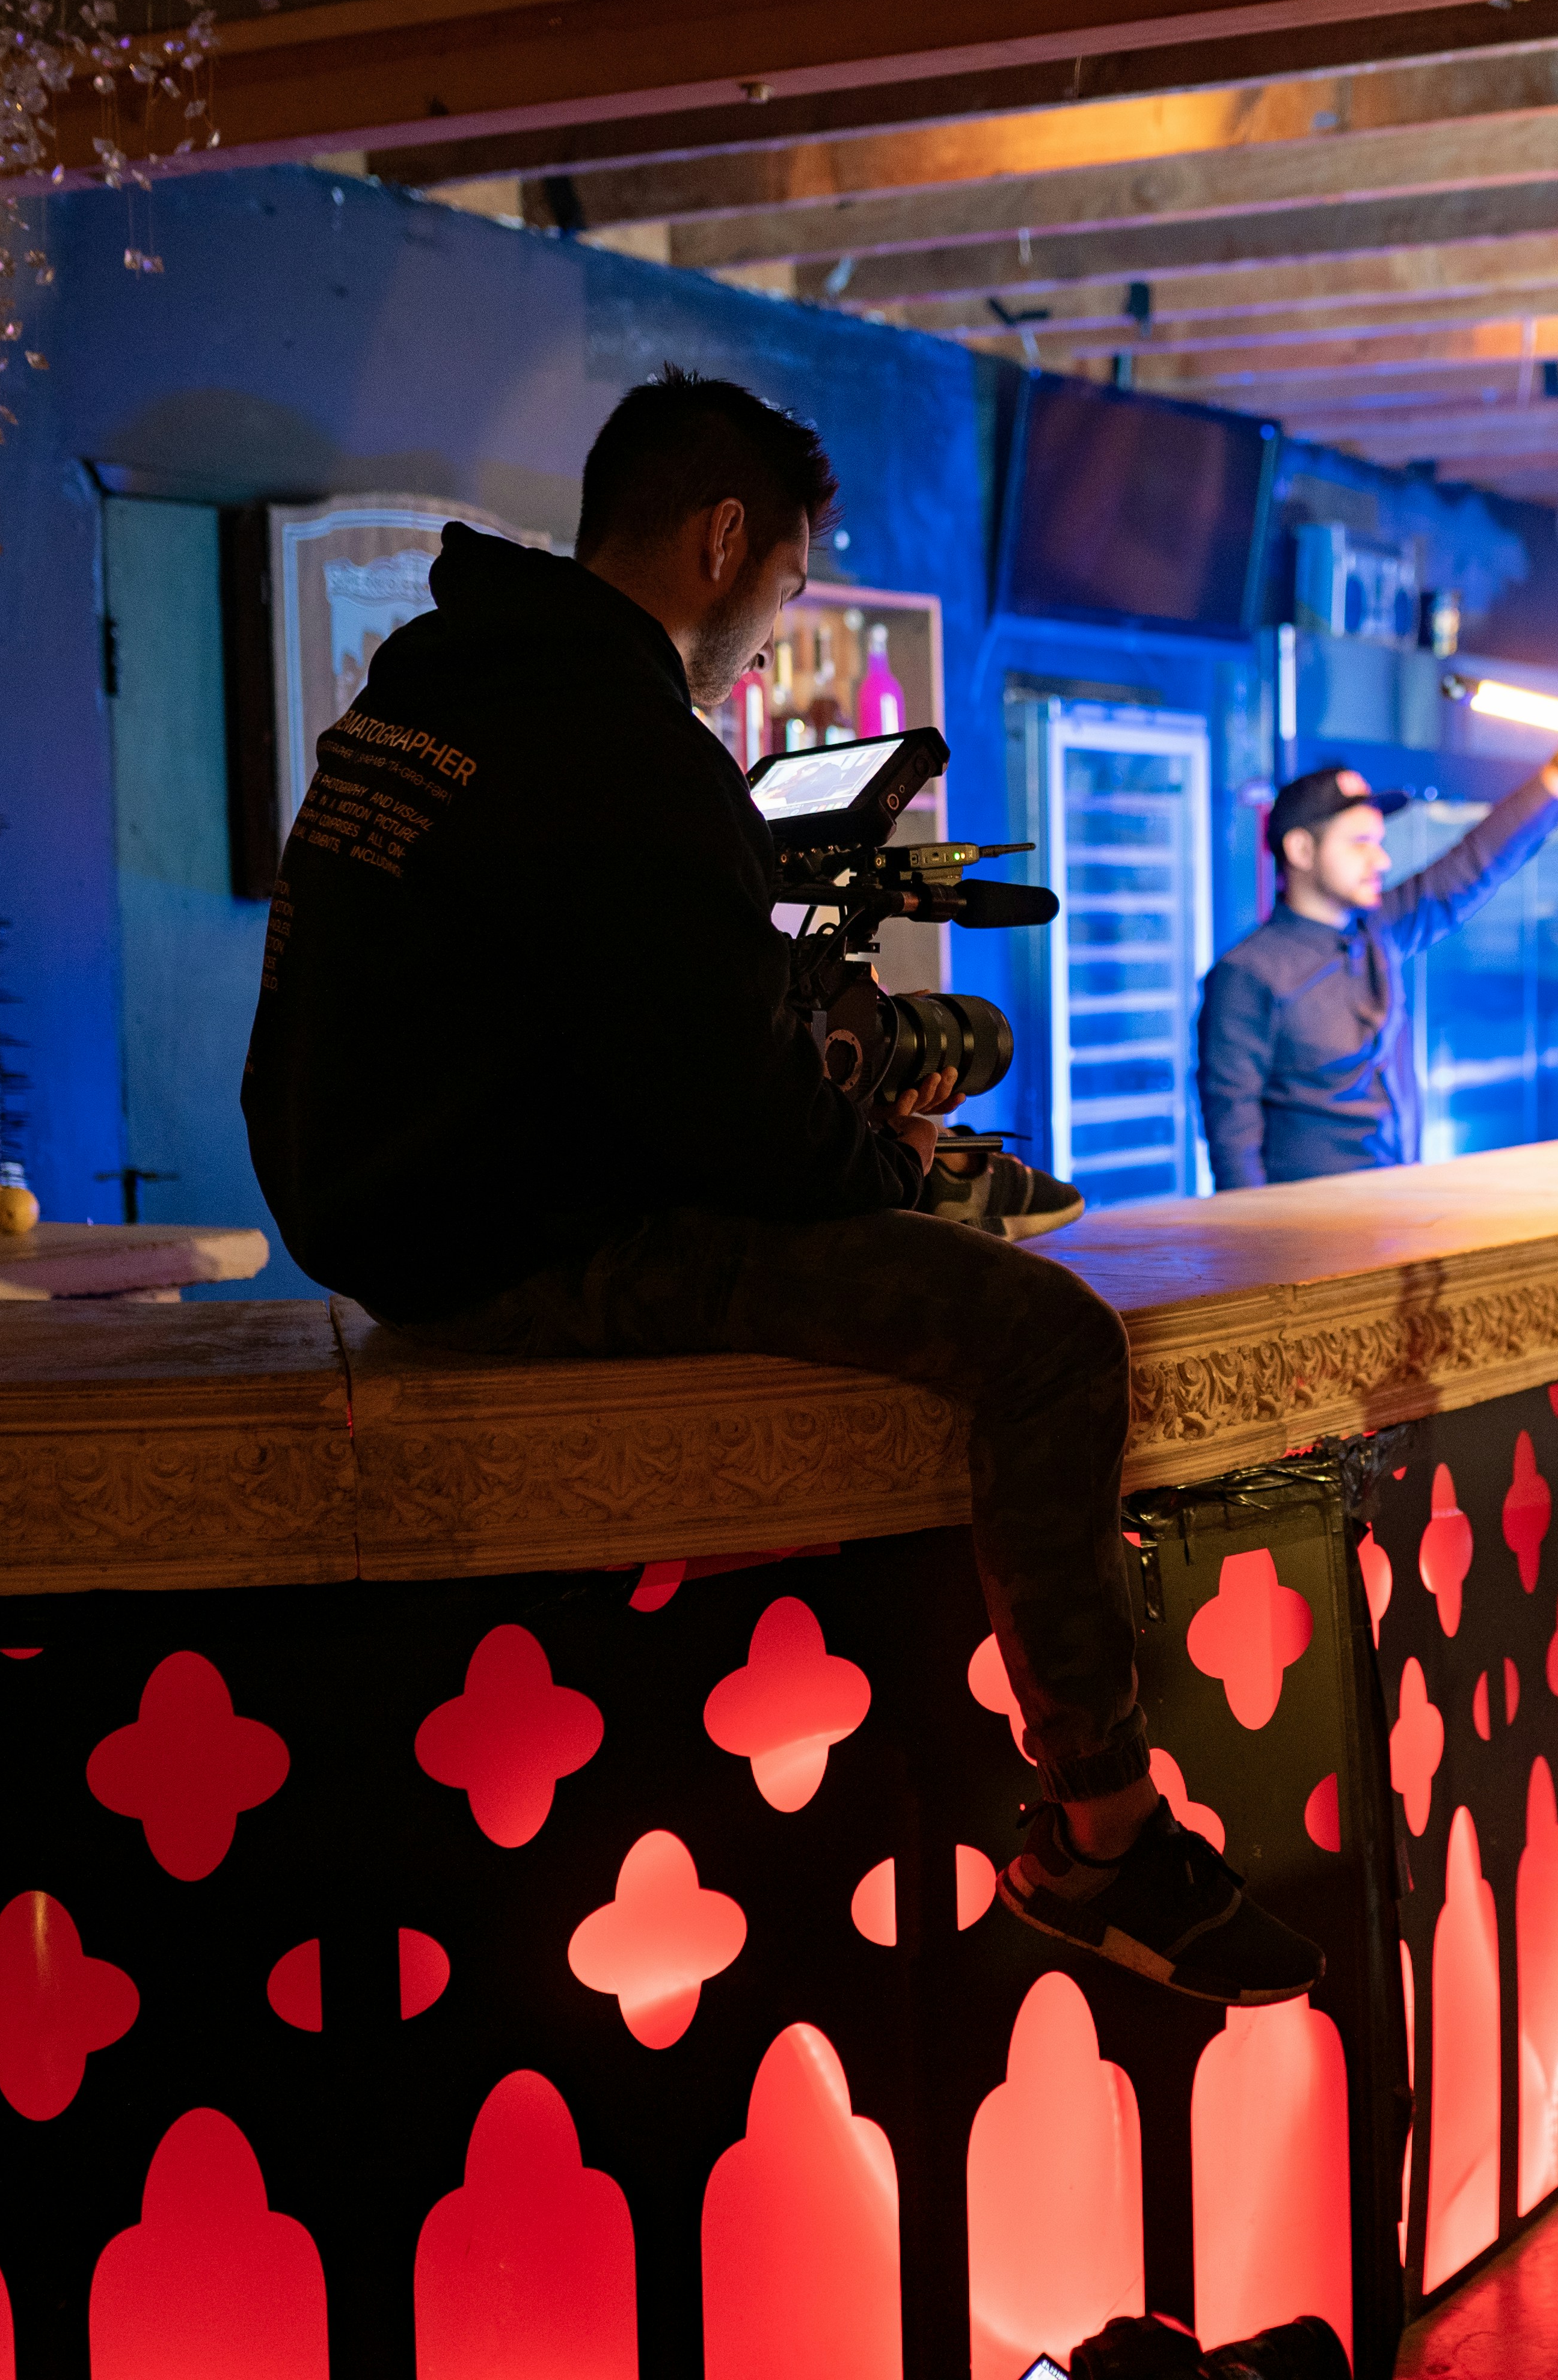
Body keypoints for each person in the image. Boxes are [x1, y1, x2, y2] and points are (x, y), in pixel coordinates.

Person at [242, 367, 1318, 2006]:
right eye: (790, 582)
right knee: (1047, 1343)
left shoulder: (432, 688)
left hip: (372, 1217)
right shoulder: (622, 741)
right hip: (515, 1251)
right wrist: (875, 1161)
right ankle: (1102, 1830)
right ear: (724, 538)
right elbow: (737, 1127)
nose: (772, 623)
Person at [1196, 739, 1558, 1189]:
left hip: (1396, 1206)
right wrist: (1257, 1246)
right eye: (1360, 843)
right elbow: (1233, 1137)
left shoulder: (1380, 932)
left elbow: (1475, 865)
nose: (1382, 860)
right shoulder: (1248, 973)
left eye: (1380, 843)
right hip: (1306, 1233)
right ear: (1301, 851)